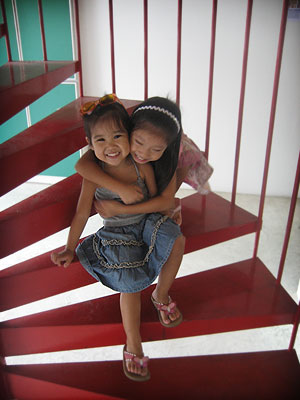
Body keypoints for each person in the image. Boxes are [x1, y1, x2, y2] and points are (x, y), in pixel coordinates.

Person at [51, 94, 185, 382]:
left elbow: (157, 200)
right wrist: (68, 247)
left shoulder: (142, 165)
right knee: (129, 280)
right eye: (100, 141)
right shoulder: (94, 174)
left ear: (127, 133)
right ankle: (133, 342)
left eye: (117, 137)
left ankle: (161, 296)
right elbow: (80, 214)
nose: (111, 146)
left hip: (145, 222)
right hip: (116, 235)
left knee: (177, 238)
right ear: (89, 145)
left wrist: (171, 208)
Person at [75, 96, 213, 225]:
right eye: (138, 142)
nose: (143, 153)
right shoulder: (115, 142)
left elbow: (165, 201)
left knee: (164, 200)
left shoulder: (169, 154)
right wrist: (121, 189)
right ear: (129, 130)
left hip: (178, 158)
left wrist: (121, 210)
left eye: (156, 149)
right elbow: (81, 165)